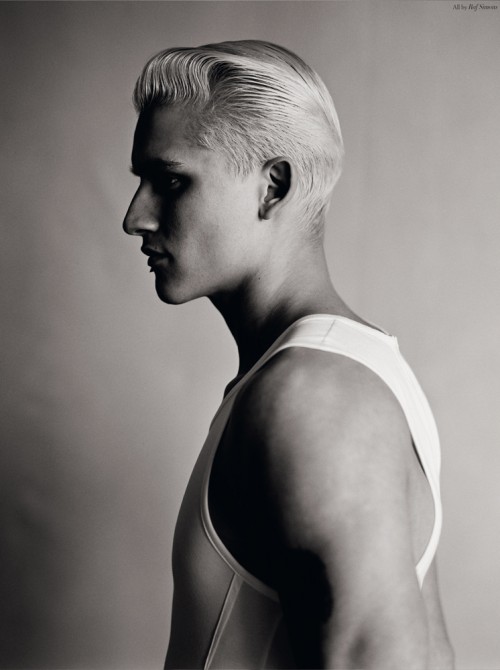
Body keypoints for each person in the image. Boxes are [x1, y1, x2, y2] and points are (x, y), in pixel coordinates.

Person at [123, 40, 454, 669]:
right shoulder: (331, 372)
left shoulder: (316, 397)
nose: (135, 216)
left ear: (272, 186)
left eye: (170, 181)